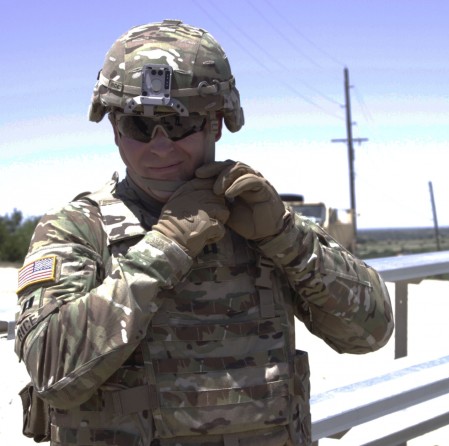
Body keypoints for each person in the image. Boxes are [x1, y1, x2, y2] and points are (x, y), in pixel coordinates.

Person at [13, 19, 394, 446]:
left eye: (178, 124)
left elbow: (371, 330)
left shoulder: (257, 216)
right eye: (140, 125)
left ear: (216, 123)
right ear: (115, 127)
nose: (160, 145)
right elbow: (51, 373)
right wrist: (166, 247)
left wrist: (288, 237)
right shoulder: (78, 228)